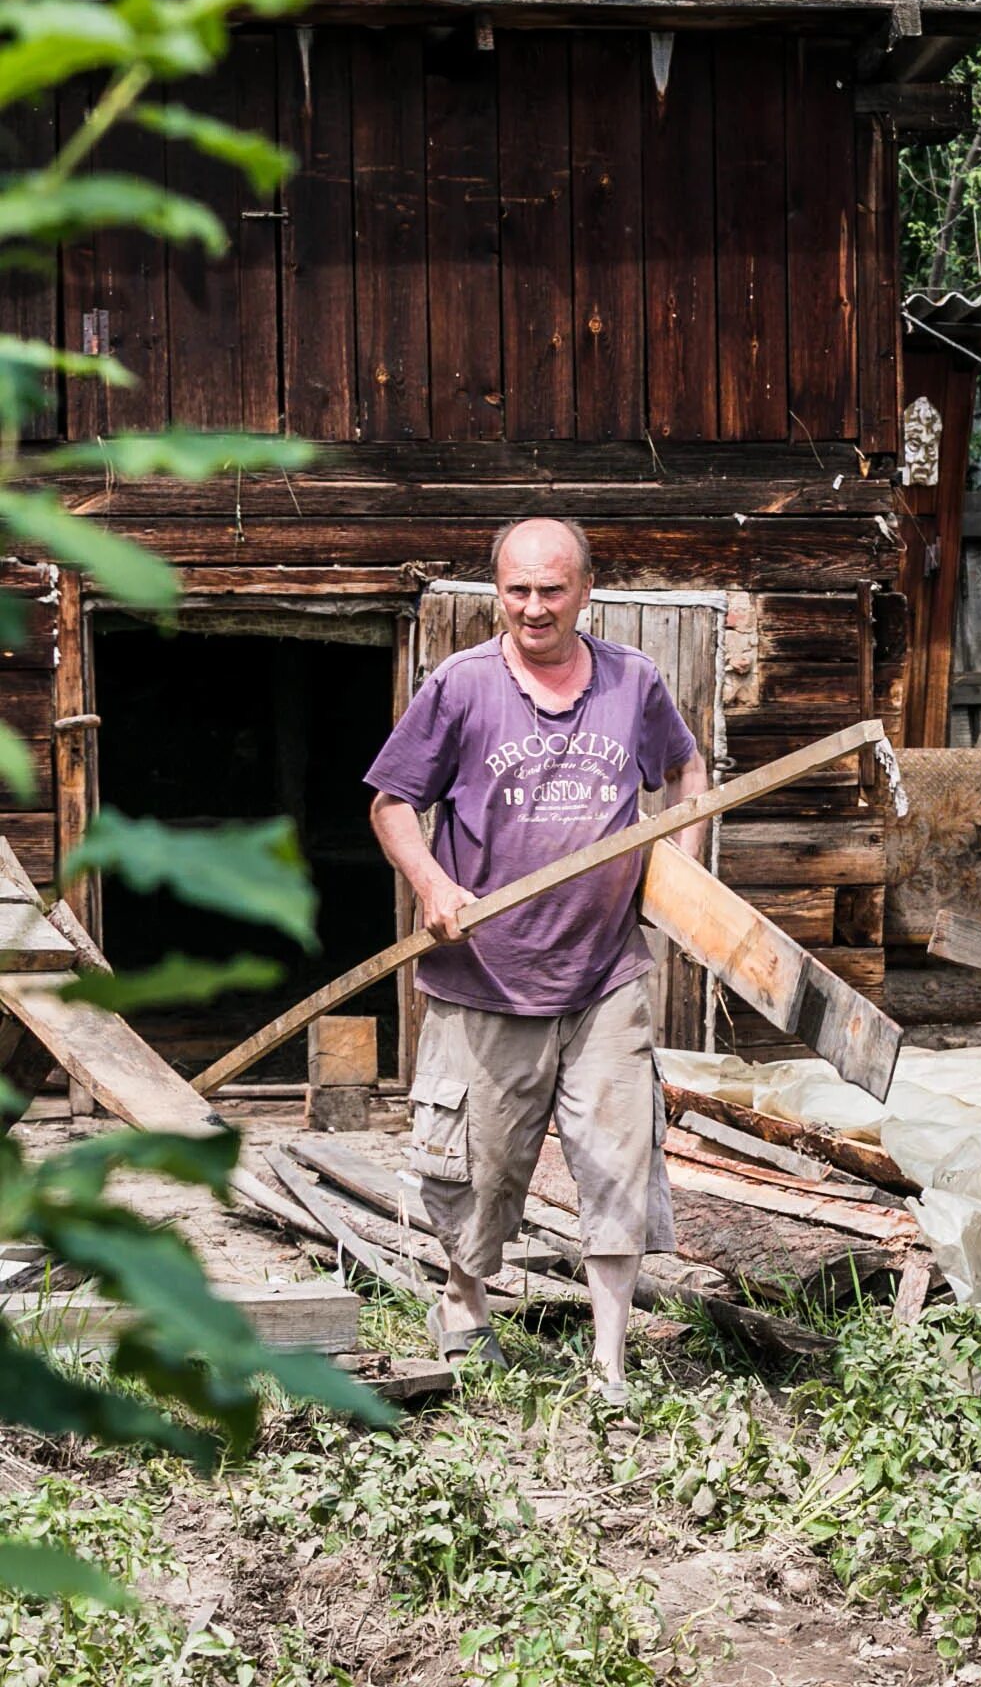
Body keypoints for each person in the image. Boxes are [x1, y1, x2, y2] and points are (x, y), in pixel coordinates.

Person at [366, 516, 710, 1407]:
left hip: (604, 977)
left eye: (551, 589)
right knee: (479, 1167)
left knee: (616, 1161)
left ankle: (608, 1366)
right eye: (517, 589)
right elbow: (392, 803)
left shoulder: (634, 683)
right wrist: (435, 887)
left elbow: (689, 775)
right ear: (497, 592)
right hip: (487, 978)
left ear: (585, 591)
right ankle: (465, 1305)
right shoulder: (462, 687)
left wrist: (678, 873)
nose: (533, 607)